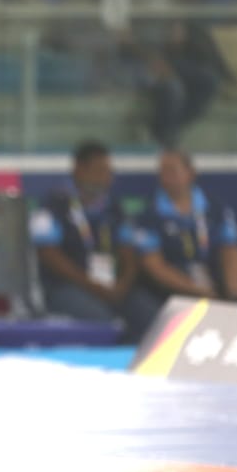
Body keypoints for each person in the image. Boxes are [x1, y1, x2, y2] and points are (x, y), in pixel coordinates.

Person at [30, 139, 162, 341]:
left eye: (109, 171)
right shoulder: (54, 206)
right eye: (99, 170)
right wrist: (93, 286)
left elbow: (129, 251)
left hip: (112, 285)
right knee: (102, 322)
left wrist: (122, 285)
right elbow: (49, 255)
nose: (106, 177)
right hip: (68, 287)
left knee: (151, 316)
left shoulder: (113, 208)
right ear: (79, 169)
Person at [132, 149, 237, 301]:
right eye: (162, 171)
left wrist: (233, 293)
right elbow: (154, 265)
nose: (166, 177)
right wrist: (198, 291)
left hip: (213, 288)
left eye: (172, 170)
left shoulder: (215, 209)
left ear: (191, 173)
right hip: (166, 294)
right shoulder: (148, 214)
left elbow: (230, 250)